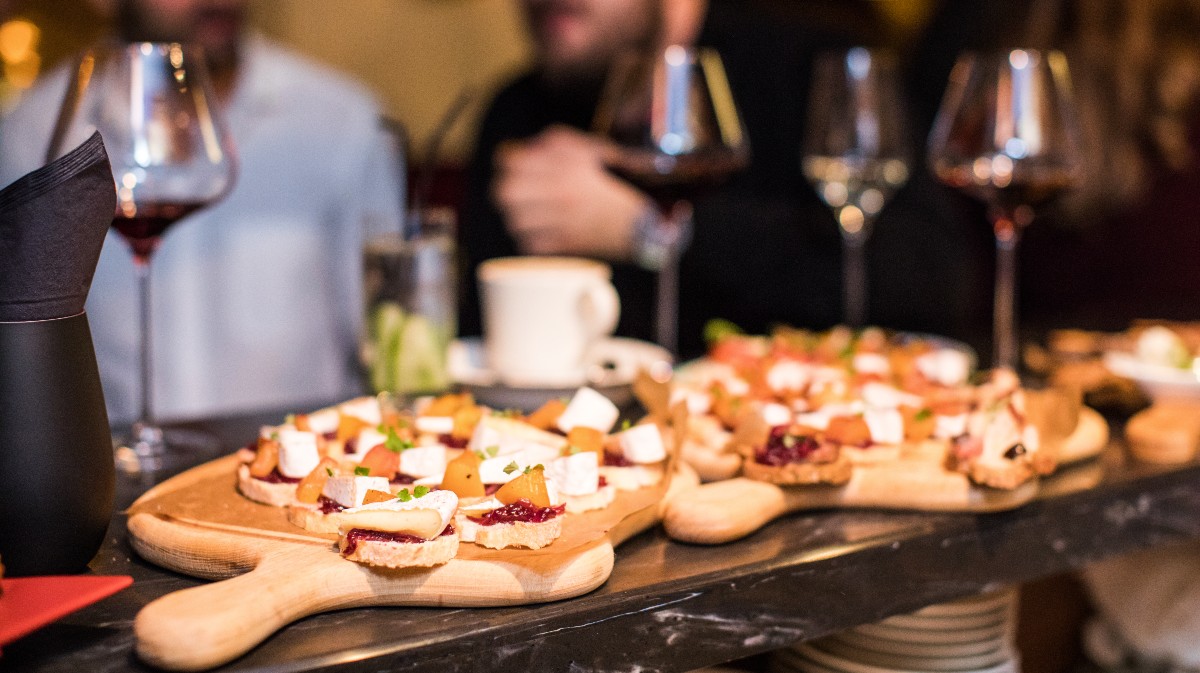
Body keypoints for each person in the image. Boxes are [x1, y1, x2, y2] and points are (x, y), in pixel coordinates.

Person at [460, 0, 989, 361]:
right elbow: (476, 333)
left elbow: (928, 277)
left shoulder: (805, 62)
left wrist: (646, 230)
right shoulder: (518, 112)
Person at [0, 0, 404, 422]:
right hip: (114, 473)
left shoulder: (341, 119)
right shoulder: (33, 132)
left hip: (296, 463)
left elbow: (383, 339)